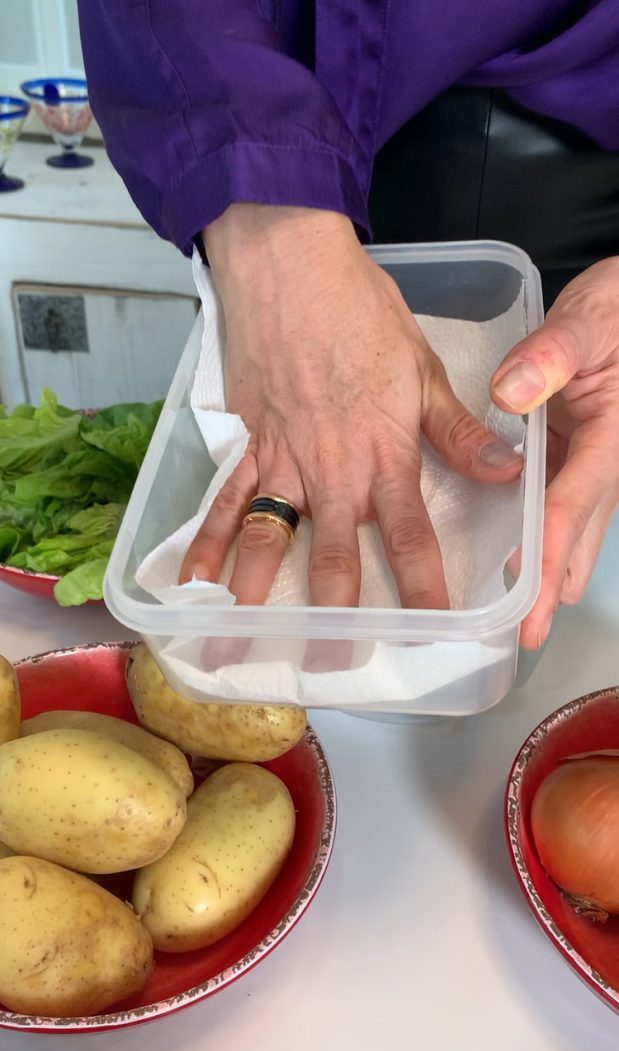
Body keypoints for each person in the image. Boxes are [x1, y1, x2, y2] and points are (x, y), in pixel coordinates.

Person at [77, 1, 619, 650]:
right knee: (265, 582)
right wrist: (273, 235)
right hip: (278, 170)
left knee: (564, 622)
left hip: (590, 221)